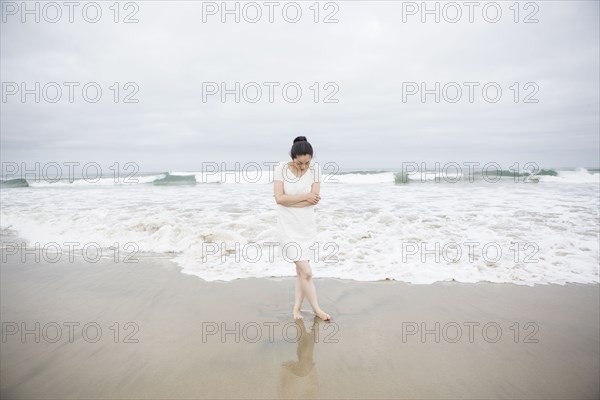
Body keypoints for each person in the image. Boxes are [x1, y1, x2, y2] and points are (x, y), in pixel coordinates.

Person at [273, 136, 331, 321]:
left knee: (300, 273)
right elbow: (279, 199)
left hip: (306, 227)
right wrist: (305, 197)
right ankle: (316, 309)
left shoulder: (316, 170)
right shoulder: (281, 169)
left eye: (307, 163)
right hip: (287, 227)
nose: (304, 167)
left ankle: (296, 309)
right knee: (307, 272)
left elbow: (313, 200)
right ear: (292, 157)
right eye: (299, 163)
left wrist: (294, 201)